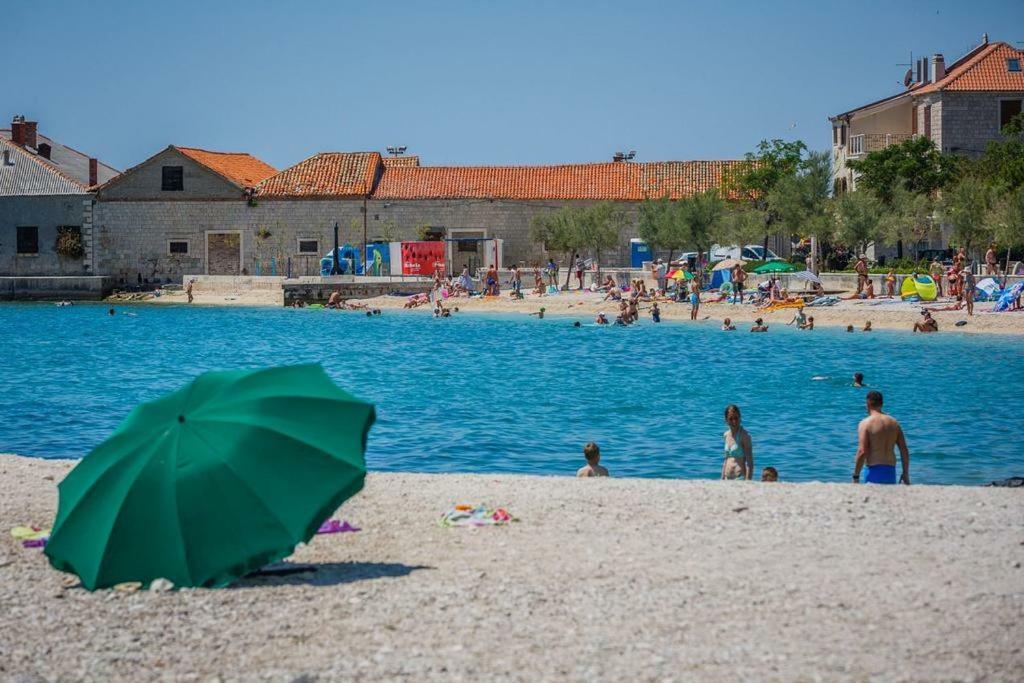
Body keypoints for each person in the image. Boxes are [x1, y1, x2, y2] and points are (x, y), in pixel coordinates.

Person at [853, 390, 910, 485]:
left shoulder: (865, 423)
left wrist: (856, 475)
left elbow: (862, 451)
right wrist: (905, 473)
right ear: (882, 404)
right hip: (890, 471)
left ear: (867, 404)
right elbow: (904, 450)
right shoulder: (894, 423)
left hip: (873, 471)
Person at [721, 404, 753, 480]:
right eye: (731, 419)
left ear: (740, 418)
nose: (734, 421)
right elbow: (726, 459)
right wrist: (722, 478)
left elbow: (750, 463)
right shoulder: (726, 435)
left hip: (739, 478)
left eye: (736, 418)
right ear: (726, 420)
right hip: (726, 477)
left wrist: (748, 482)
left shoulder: (745, 436)